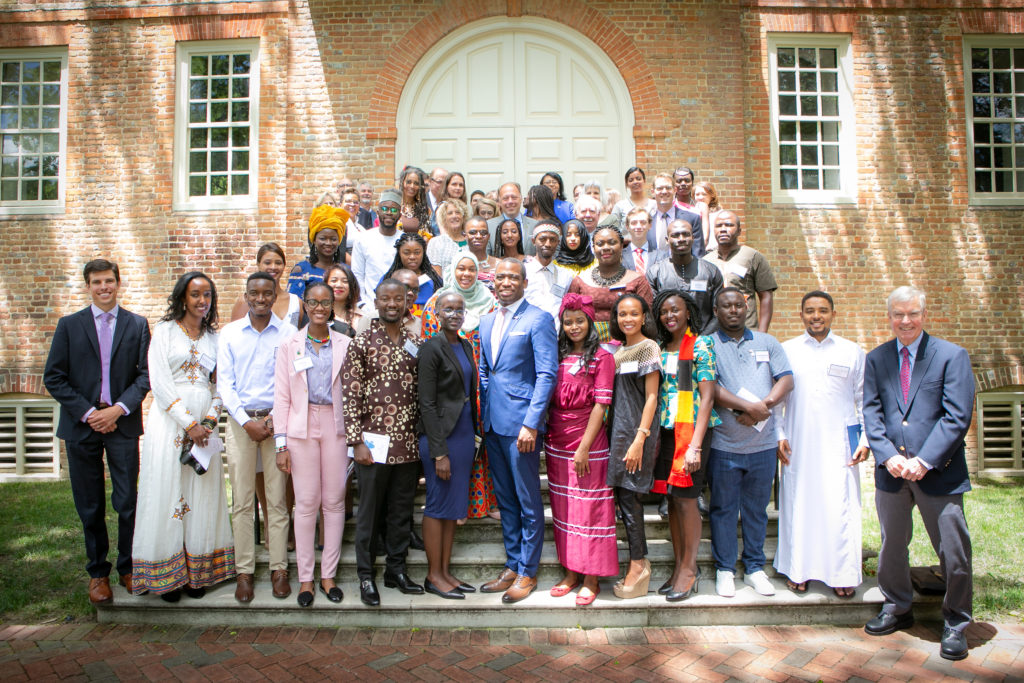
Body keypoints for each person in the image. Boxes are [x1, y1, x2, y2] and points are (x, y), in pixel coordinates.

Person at [862, 286, 975, 662]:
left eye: (912, 314)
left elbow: (957, 415)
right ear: (889, 316)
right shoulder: (877, 359)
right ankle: (897, 606)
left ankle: (957, 622)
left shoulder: (950, 356)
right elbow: (872, 412)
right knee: (893, 545)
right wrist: (886, 455)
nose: (905, 321)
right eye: (898, 314)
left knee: (952, 550)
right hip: (892, 472)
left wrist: (924, 460)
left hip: (937, 472)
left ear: (924, 314)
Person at [44, 258, 151, 605]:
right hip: (83, 426)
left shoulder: (137, 325)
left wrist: (118, 409)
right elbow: (54, 377)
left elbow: (145, 377)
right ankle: (98, 574)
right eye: (96, 282)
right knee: (89, 505)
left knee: (127, 502)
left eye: (108, 281)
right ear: (87, 286)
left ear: (118, 283)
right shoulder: (69, 325)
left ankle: (127, 567)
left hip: (121, 423)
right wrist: (91, 413)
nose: (103, 287)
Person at [131, 272, 234, 600]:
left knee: (200, 494)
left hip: (205, 429)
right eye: (195, 295)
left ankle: (197, 574)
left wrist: (208, 419)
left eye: (207, 295)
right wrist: (188, 423)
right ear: (182, 298)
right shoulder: (163, 332)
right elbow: (159, 382)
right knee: (168, 492)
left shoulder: (214, 338)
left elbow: (221, 384)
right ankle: (169, 577)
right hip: (170, 424)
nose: (202, 301)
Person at [775, 291, 868, 599]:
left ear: (833, 314)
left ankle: (842, 573)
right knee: (799, 505)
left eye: (823, 311)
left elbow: (864, 401)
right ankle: (797, 569)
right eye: (810, 311)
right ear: (801, 315)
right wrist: (778, 434)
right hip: (798, 440)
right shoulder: (786, 350)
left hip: (840, 445)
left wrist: (865, 440)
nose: (817, 316)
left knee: (839, 506)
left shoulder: (852, 352)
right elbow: (777, 400)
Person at [478, 259, 558, 604]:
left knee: (527, 501)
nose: (506, 281)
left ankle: (528, 571)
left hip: (522, 426)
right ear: (493, 283)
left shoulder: (538, 319)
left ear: (525, 282)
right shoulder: (485, 321)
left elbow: (546, 374)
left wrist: (532, 422)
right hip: (494, 426)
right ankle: (512, 563)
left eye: (513, 276)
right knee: (506, 500)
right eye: (501, 277)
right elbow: (484, 372)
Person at [706, 287, 793, 599]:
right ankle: (725, 569)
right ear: (716, 312)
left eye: (738, 306)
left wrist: (763, 407)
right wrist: (746, 408)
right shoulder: (708, 344)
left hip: (763, 446)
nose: (733, 311)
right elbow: (710, 388)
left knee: (757, 510)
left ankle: (755, 568)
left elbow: (786, 379)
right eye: (725, 307)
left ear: (747, 309)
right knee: (724, 509)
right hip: (725, 447)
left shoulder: (767, 342)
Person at [343, 279, 424, 606]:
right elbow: (349, 394)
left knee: (401, 511)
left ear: (407, 302)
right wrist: (355, 441)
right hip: (371, 444)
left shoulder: (414, 341)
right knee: (369, 513)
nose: (392, 304)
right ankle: (366, 576)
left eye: (398, 299)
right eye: (386, 299)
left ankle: (396, 570)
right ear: (375, 302)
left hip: (406, 443)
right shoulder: (361, 342)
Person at [218, 272, 297, 603]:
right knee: (243, 501)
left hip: (277, 423)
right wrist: (244, 421)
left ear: (275, 294)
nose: (262, 298)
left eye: (268, 292)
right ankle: (245, 572)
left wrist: (274, 419)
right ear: (247, 297)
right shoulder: (230, 334)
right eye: (255, 293)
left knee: (277, 500)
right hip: (241, 424)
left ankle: (279, 569)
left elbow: (293, 381)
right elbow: (224, 383)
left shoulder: (289, 333)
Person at [272, 282, 350, 606]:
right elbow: (281, 396)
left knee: (333, 501)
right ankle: (306, 579)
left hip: (336, 425)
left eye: (325, 302)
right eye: (313, 302)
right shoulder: (290, 345)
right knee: (305, 503)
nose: (319, 307)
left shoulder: (345, 343)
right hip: (300, 428)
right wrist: (280, 444)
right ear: (305, 305)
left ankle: (328, 575)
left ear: (332, 306)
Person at [545, 294, 617, 606]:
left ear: (590, 323)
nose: (574, 327)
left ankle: (591, 577)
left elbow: (602, 405)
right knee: (564, 511)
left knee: (589, 511)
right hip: (556, 441)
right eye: (568, 321)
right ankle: (572, 572)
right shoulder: (556, 355)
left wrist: (585, 447)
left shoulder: (603, 358)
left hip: (588, 442)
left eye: (580, 321)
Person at [420, 253, 499, 522]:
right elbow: (432, 349)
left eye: (471, 269)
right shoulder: (434, 304)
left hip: (481, 384)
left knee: (478, 449)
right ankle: (456, 507)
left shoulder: (491, 303)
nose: (466, 274)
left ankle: (478, 504)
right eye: (460, 269)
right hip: (449, 390)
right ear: (452, 270)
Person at [652, 289, 719, 601]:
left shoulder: (701, 344)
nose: (670, 316)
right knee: (673, 501)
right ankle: (680, 567)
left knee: (688, 500)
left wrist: (695, 445)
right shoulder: (661, 347)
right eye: (664, 311)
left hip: (691, 433)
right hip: (667, 432)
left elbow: (707, 396)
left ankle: (690, 569)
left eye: (676, 310)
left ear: (688, 312)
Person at [417, 292, 479, 599]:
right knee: (438, 504)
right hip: (441, 437)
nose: (454, 313)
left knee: (455, 505)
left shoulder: (464, 344)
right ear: (437, 313)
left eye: (459, 309)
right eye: (448, 309)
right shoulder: (431, 347)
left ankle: (445, 571)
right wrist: (439, 451)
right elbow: (426, 403)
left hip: (465, 433)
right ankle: (433, 575)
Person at [606, 294, 661, 599]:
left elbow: (652, 397)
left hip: (635, 436)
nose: (627, 319)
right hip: (617, 434)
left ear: (643, 317)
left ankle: (638, 564)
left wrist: (640, 439)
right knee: (622, 500)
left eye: (634, 314)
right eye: (622, 314)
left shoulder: (647, 348)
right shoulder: (617, 352)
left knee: (630, 500)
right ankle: (635, 562)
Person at [567, 225, 654, 341]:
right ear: (593, 248)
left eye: (612, 242)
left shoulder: (638, 280)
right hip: (589, 347)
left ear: (622, 246)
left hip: (627, 347)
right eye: (600, 244)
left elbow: (646, 319)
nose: (606, 247)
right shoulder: (580, 281)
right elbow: (570, 318)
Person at [646, 219, 724, 334]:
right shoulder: (655, 273)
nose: (681, 239)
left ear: (693, 238)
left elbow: (719, 312)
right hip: (668, 344)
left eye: (686, 234)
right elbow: (652, 313)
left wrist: (702, 339)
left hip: (704, 342)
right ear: (667, 240)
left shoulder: (711, 271)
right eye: (675, 235)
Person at [704, 211, 777, 332]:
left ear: (739, 231)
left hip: (747, 331)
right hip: (714, 334)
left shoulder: (752, 256)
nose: (723, 229)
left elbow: (766, 296)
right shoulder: (705, 261)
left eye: (729, 225)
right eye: (718, 226)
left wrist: (762, 334)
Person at [231, 243, 303, 327]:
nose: (273, 267)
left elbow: (295, 332)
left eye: (278, 263)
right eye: (267, 263)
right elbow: (235, 334)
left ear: (284, 265)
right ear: (258, 264)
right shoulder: (246, 302)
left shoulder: (295, 302)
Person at [351, 189, 403, 305]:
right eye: (385, 209)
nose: (389, 212)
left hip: (397, 307)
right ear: (378, 212)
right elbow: (357, 274)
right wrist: (362, 304)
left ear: (399, 215)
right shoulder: (363, 239)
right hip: (370, 306)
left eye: (394, 210)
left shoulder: (405, 241)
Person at [288, 204, 350, 298]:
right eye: (323, 238)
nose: (328, 243)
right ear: (314, 240)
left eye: (333, 239)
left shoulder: (345, 270)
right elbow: (294, 305)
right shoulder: (301, 270)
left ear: (339, 241)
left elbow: (352, 302)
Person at [524, 222, 574, 324]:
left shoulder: (565, 275)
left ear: (558, 242)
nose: (548, 244)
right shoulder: (523, 272)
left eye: (552, 240)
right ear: (534, 241)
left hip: (555, 335)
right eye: (542, 239)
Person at [380, 233, 442, 311]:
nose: (412, 257)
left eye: (417, 253)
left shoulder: (434, 281)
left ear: (423, 252)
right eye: (406, 253)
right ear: (399, 253)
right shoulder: (389, 279)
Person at [649, 173, 703, 255]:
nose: (664, 191)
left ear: (675, 190)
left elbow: (698, 253)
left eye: (668, 188)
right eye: (660, 188)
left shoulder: (692, 219)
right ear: (653, 192)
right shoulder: (647, 222)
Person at [486, 183, 538, 256]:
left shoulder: (535, 225)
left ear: (520, 199)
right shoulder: (488, 226)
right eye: (505, 198)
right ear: (499, 202)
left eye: (514, 197)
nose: (510, 201)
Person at [427, 199, 470, 273]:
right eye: (450, 213)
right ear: (444, 218)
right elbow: (436, 275)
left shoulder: (471, 242)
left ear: (463, 217)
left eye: (458, 212)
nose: (454, 216)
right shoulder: (436, 242)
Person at [323, 263, 366, 338]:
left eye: (345, 281)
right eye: (334, 280)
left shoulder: (361, 318)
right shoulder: (317, 314)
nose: (339, 285)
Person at [620, 207, 666, 275]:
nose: (638, 226)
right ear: (627, 227)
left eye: (643, 222)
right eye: (634, 223)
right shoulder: (620, 256)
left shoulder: (661, 255)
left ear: (650, 225)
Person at [464, 216, 498, 290]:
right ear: (465, 236)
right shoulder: (457, 266)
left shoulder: (499, 265)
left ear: (488, 236)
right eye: (473, 232)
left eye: (483, 233)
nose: (479, 236)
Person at [398, 166, 431, 236]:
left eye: (416, 183)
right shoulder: (394, 205)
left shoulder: (424, 209)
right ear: (402, 182)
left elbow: (426, 235)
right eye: (408, 182)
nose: (412, 186)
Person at [693, 181, 723, 249]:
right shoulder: (691, 213)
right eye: (697, 194)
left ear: (711, 196)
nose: (700, 197)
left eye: (704, 194)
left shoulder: (720, 215)